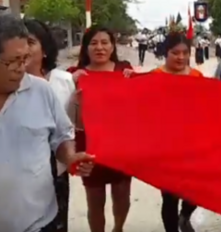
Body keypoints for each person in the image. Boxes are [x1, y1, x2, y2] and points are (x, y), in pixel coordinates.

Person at [0, 15, 94, 232]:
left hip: (39, 222)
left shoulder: (42, 91)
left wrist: (70, 157)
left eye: (24, 59)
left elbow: (62, 136)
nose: (21, 68)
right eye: (12, 61)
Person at [67, 26, 133, 232]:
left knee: (122, 195)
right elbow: (64, 115)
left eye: (105, 42)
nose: (100, 48)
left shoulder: (124, 70)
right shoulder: (74, 74)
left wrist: (133, 83)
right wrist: (70, 85)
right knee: (95, 200)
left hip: (120, 144)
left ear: (112, 46)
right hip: (89, 144)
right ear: (85, 48)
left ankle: (118, 228)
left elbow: (139, 106)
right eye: (93, 43)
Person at [24, 19, 76, 232]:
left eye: (30, 42)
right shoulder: (7, 85)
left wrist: (71, 156)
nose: (23, 48)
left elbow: (69, 129)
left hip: (55, 174)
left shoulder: (63, 81)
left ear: (44, 49)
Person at [149, 33, 201, 232]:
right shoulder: (155, 76)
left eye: (185, 53)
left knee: (195, 192)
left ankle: (185, 216)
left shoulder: (197, 76)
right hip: (165, 147)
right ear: (166, 53)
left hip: (193, 145)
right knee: (169, 196)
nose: (180, 57)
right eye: (175, 53)